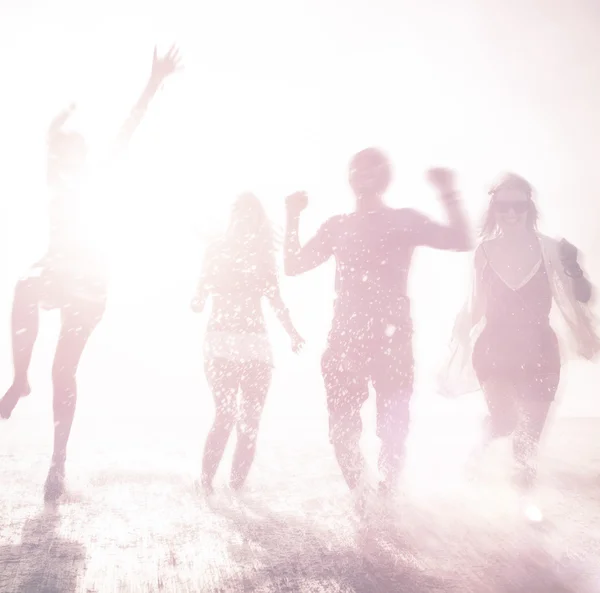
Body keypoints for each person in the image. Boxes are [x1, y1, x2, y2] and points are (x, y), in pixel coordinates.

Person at [0, 45, 182, 502]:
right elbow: (48, 144)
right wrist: (57, 126)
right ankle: (21, 378)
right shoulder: (54, 178)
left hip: (90, 282)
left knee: (64, 370)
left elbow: (126, 130)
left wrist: (153, 83)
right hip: (56, 270)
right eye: (63, 154)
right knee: (24, 284)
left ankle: (57, 464)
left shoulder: (98, 174)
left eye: (74, 153)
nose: (67, 160)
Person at [283, 147, 472, 498]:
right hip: (345, 340)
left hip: (392, 340)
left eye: (372, 168)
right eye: (357, 168)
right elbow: (293, 265)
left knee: (393, 430)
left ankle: (386, 496)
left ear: (385, 177)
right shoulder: (337, 226)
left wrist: (449, 193)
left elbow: (461, 240)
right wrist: (292, 215)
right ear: (350, 177)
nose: (364, 174)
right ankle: (363, 495)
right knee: (342, 431)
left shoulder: (404, 220)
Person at [441, 172, 599, 490]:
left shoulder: (552, 249)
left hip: (540, 349)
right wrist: (457, 339)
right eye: (503, 207)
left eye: (518, 206)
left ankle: (523, 515)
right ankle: (480, 446)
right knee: (505, 421)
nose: (511, 213)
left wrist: (575, 269)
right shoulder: (484, 251)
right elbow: (476, 306)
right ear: (494, 210)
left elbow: (581, 297)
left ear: (530, 208)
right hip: (495, 348)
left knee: (526, 447)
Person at [191, 192, 305, 494]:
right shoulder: (215, 250)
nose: (244, 219)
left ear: (257, 221)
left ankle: (236, 493)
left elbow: (275, 300)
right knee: (226, 414)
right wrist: (197, 299)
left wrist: (292, 331)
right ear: (233, 217)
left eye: (250, 214)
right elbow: (199, 293)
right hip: (220, 342)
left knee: (250, 422)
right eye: (239, 212)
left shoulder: (263, 257)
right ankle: (205, 487)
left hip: (255, 345)